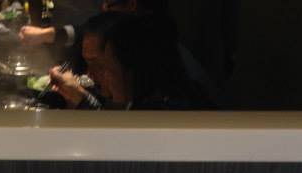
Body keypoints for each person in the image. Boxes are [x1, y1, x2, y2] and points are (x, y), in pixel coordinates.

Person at [50, 12, 202, 110]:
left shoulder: (166, 109)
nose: (90, 74)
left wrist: (81, 99)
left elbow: (116, 137)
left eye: (99, 65)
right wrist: (80, 96)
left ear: (132, 61)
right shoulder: (143, 99)